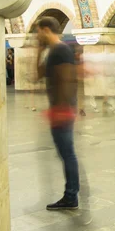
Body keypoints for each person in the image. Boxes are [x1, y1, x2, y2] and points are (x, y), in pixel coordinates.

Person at [35, 17, 80, 210]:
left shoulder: (61, 50)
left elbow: (68, 79)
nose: (37, 35)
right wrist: (38, 50)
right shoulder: (52, 51)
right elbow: (38, 75)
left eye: (38, 31)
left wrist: (62, 110)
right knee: (66, 153)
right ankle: (72, 193)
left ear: (46, 30)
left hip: (62, 110)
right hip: (59, 109)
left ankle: (71, 196)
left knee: (67, 154)